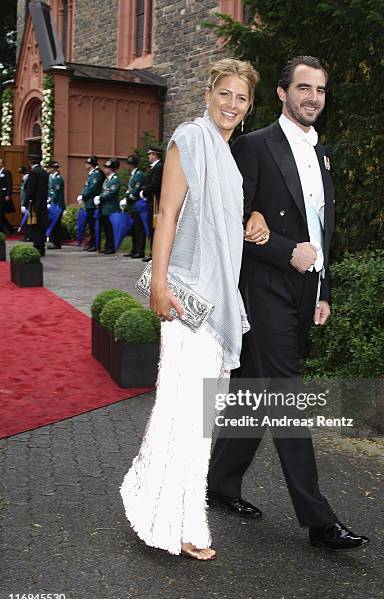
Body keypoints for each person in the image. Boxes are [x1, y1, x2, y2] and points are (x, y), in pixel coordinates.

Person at [207, 56, 370, 551]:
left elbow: (323, 229)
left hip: (304, 289)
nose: (312, 98)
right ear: (282, 93)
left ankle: (218, 483)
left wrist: (323, 290)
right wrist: (283, 251)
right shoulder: (255, 147)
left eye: (320, 89)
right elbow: (229, 221)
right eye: (303, 88)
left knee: (256, 391)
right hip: (263, 287)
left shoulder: (322, 154)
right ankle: (318, 519)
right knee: (285, 395)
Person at [120, 58, 269, 561]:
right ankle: (178, 522)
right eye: (224, 93)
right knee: (185, 412)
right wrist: (158, 284)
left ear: (249, 108)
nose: (231, 104)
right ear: (208, 93)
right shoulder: (190, 136)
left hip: (218, 297)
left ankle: (159, 504)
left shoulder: (229, 158)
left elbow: (224, 220)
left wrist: (254, 219)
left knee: (195, 414)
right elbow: (168, 214)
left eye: (241, 98)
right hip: (186, 299)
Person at [140, 146, 163, 262]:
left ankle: (155, 253)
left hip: (155, 201)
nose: (148, 156)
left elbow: (154, 185)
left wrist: (144, 191)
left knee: (154, 227)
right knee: (151, 227)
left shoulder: (158, 167)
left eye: (150, 154)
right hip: (151, 199)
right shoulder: (154, 167)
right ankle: (152, 252)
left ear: (155, 155)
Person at [23, 153, 48, 256]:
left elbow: (30, 190)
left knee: (35, 226)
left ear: (30, 162)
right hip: (43, 203)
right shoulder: (44, 172)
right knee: (41, 226)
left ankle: (37, 247)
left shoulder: (33, 172)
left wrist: (24, 203)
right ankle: (41, 248)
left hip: (35, 204)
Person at [78, 156, 104, 252]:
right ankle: (92, 243)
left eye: (87, 163)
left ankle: (95, 244)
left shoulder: (96, 174)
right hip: (89, 203)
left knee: (94, 225)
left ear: (91, 164)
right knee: (91, 225)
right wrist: (82, 194)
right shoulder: (91, 174)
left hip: (93, 203)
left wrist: (83, 196)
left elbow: (92, 188)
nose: (85, 165)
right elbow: (86, 186)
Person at [95, 158, 120, 254]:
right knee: (105, 229)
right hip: (104, 208)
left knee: (110, 229)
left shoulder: (115, 180)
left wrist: (100, 198)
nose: (105, 169)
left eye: (107, 167)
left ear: (111, 169)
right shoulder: (107, 180)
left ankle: (111, 247)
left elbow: (111, 193)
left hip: (110, 208)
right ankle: (107, 246)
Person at [122, 154, 145, 259]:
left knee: (138, 229)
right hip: (132, 206)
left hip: (136, 205)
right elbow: (130, 189)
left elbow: (136, 190)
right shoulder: (133, 175)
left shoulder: (139, 175)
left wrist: (127, 199)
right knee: (133, 229)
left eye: (129, 164)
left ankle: (140, 251)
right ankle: (134, 249)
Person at [46, 161, 65, 249]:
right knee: (54, 223)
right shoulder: (52, 178)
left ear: (53, 168)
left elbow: (56, 193)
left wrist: (51, 201)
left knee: (56, 224)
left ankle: (57, 243)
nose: (47, 169)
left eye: (49, 167)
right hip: (53, 204)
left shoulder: (58, 179)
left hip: (57, 205)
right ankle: (54, 241)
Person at [0, 158, 14, 235]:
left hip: (3, 194)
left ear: (2, 164)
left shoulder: (6, 172)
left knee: (1, 211)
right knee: (1, 213)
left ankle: (2, 229)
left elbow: (9, 184)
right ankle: (9, 228)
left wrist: (8, 194)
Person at [18, 165, 31, 242]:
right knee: (25, 220)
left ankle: (28, 236)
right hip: (24, 202)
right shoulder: (24, 179)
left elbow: (27, 193)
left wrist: (25, 204)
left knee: (27, 220)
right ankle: (26, 235)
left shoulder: (27, 179)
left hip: (26, 203)